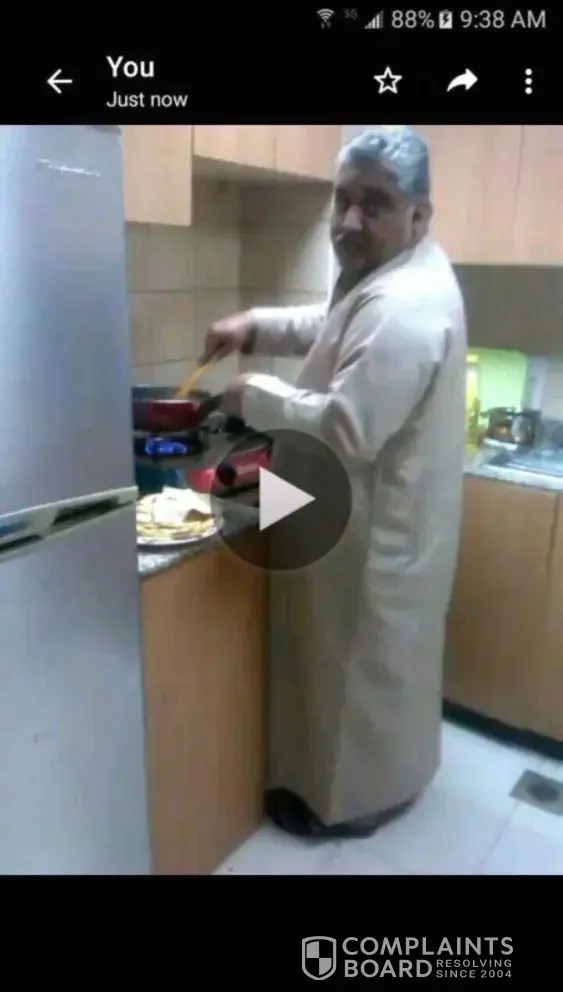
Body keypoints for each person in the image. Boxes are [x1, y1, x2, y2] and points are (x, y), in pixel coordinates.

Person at [203, 126, 467, 839]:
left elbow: (348, 427)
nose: (349, 220)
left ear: (418, 214)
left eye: (373, 203)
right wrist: (255, 325)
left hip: (371, 534)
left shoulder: (406, 305)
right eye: (342, 199)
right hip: (380, 520)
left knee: (355, 677)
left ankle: (344, 806)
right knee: (372, 674)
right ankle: (372, 784)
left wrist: (253, 394)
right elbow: (333, 325)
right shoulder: (396, 272)